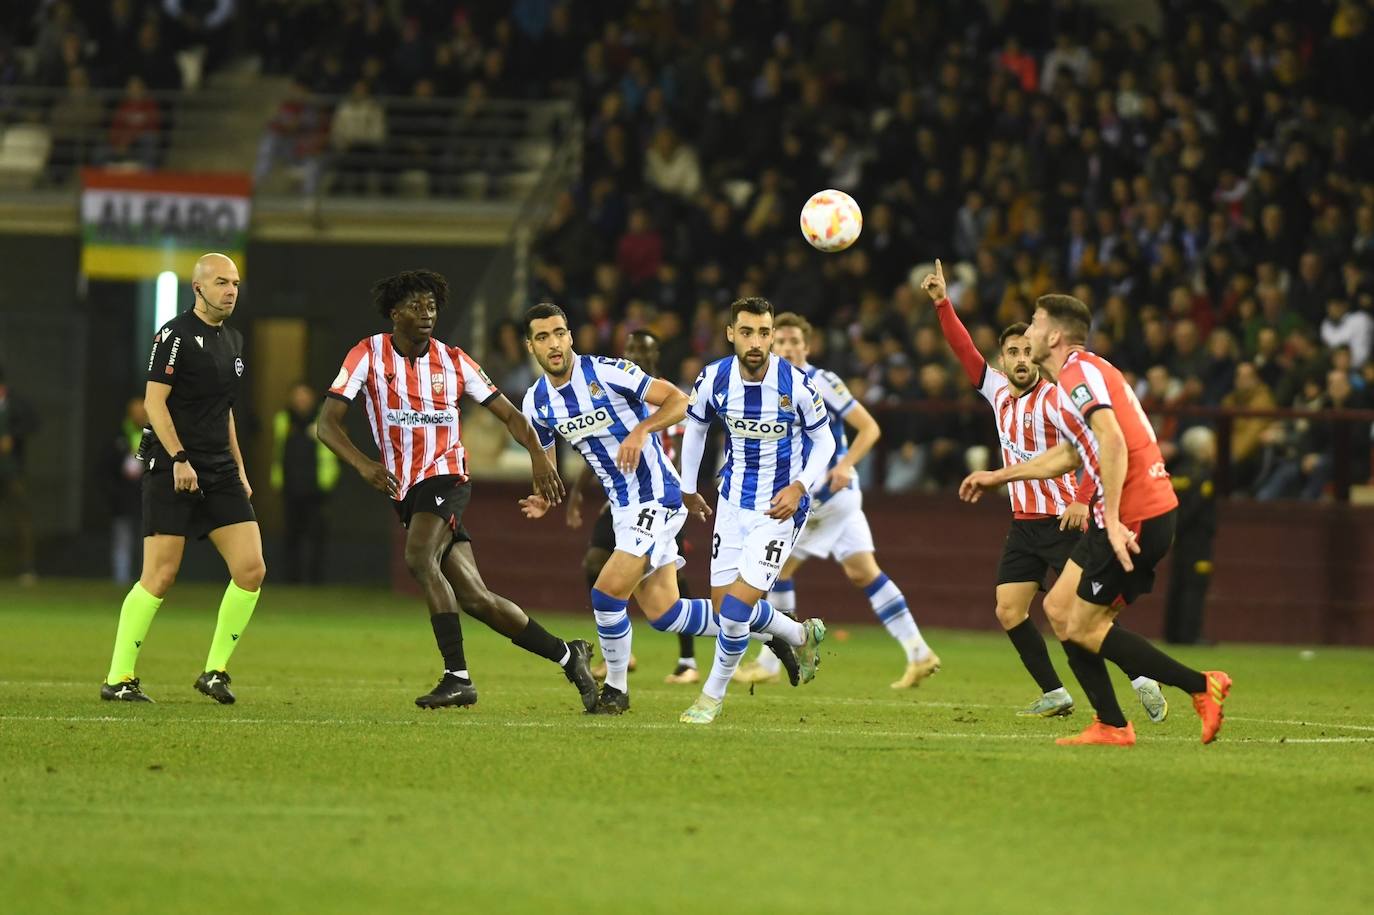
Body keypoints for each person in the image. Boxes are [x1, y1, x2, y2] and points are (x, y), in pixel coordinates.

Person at [316, 270, 597, 711]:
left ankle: (457, 677)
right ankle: (568, 654)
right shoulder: (367, 354)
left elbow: (509, 415)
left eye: (432, 306)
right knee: (476, 598)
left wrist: (541, 456)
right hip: (404, 487)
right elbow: (326, 424)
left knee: (417, 557)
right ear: (395, 313)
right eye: (416, 306)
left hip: (446, 476)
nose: (427, 313)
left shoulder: (454, 361)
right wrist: (363, 464)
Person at [959, 292, 1232, 746]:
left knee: (1082, 625)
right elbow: (1070, 454)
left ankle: (1202, 687)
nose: (1027, 331)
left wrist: (1107, 514)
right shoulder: (1078, 374)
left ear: (1055, 334)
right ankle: (1112, 723)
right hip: (1130, 513)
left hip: (1136, 514)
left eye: (1034, 322)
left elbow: (1112, 441)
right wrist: (999, 476)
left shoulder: (1077, 374)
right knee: (1059, 610)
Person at [515, 305, 804, 714]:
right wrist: (544, 495)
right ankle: (771, 629)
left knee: (606, 591)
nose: (554, 343)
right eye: (542, 337)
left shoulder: (608, 372)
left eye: (559, 333)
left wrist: (640, 429)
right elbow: (546, 464)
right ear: (531, 346)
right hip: (623, 507)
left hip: (658, 497)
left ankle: (616, 689)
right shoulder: (536, 402)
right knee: (665, 614)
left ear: (571, 337)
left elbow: (679, 400)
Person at [924, 262, 1166, 721]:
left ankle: (1141, 678)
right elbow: (961, 348)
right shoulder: (995, 393)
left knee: (1083, 619)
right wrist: (942, 303)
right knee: (1008, 609)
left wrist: (1081, 498)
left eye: (1023, 350)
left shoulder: (1057, 397)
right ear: (1000, 361)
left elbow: (1094, 447)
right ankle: (1055, 692)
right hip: (1024, 525)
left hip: (1064, 521)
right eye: (1009, 352)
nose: (1018, 359)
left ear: (1034, 355)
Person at [736, 312, 941, 689]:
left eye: (795, 341)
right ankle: (919, 652)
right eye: (780, 341)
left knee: (775, 570)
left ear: (807, 346)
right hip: (833, 498)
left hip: (826, 496)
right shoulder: (769, 386)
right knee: (864, 571)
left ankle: (768, 661)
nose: (788, 347)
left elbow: (869, 427)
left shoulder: (821, 381)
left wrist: (845, 464)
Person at [101, 253, 265, 704]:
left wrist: (241, 470)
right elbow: (155, 404)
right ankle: (119, 678)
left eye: (234, 283)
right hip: (173, 465)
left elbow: (226, 412)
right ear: (198, 288)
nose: (230, 290)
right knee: (160, 574)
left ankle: (214, 672)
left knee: (251, 570)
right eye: (220, 282)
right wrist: (179, 457)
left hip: (219, 468)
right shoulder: (174, 335)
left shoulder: (233, 339)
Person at [676, 297, 835, 724]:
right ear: (730, 333)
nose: (757, 341)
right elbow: (695, 431)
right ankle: (800, 634)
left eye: (764, 333)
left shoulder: (796, 383)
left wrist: (800, 486)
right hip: (731, 503)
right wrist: (688, 488)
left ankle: (711, 696)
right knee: (724, 604)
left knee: (733, 614)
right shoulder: (713, 379)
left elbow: (826, 443)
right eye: (747, 332)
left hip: (779, 510)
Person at [562, 328, 702, 685]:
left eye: (645, 350)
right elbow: (595, 447)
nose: (637, 354)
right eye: (631, 348)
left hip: (661, 494)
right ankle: (618, 657)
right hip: (622, 499)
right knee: (598, 565)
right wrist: (579, 492)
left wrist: (688, 489)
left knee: (667, 584)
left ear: (656, 357)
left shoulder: (663, 395)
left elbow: (687, 448)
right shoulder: (612, 387)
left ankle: (684, 660)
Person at [271, 382, 339, 583]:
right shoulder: (284, 420)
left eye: (305, 395)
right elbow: (279, 452)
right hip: (291, 486)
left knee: (317, 534)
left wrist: (329, 480)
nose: (301, 400)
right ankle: (291, 578)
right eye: (297, 396)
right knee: (291, 534)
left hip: (317, 487)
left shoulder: (323, 419)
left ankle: (316, 578)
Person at [1164, 426, 1218, 645]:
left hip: (1177, 539)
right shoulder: (1202, 477)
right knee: (1194, 588)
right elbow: (1193, 511)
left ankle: (1173, 633)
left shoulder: (1175, 473)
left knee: (1178, 585)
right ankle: (1190, 635)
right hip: (1197, 541)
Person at [0, 364, 38, 585]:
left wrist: (12, 437)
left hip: (13, 469)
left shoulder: (16, 402)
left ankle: (26, 567)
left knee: (21, 517)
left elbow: (33, 423)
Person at [103, 396, 147, 584]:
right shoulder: (119, 436)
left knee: (148, 541)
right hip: (123, 498)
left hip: (147, 497)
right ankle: (121, 579)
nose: (138, 415)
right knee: (123, 539)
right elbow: (105, 468)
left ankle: (148, 580)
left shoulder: (154, 434)